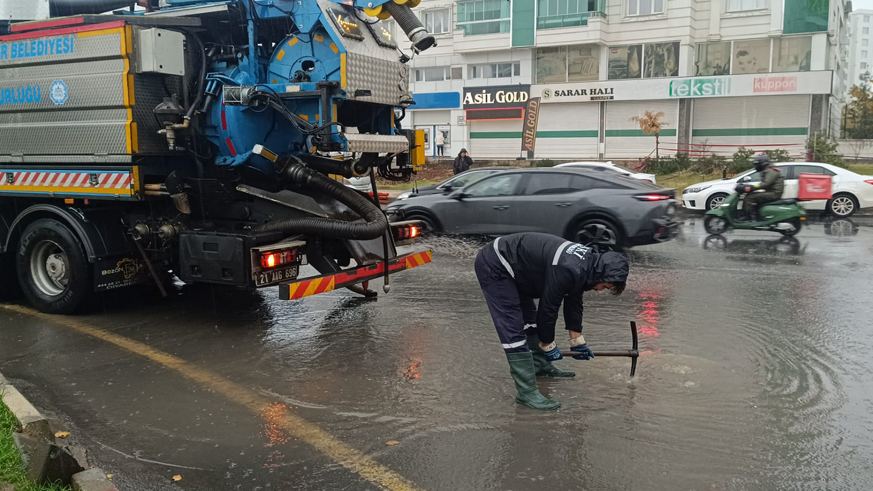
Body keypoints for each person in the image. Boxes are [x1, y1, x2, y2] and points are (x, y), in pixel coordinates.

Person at [474, 232, 629, 410]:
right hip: (496, 264)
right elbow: (548, 309)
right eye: (605, 286)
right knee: (513, 327)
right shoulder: (567, 268)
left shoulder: (587, 265)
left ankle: (541, 367)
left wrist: (577, 341)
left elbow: (574, 300)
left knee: (530, 322)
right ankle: (527, 392)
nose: (601, 290)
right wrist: (548, 345)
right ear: (602, 275)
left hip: (520, 269)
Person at [741, 154, 784, 221]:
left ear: (763, 164)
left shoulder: (771, 171)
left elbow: (766, 183)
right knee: (752, 195)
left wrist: (753, 187)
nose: (756, 166)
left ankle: (748, 217)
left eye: (757, 164)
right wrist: (753, 187)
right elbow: (763, 183)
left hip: (774, 194)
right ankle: (756, 215)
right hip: (771, 192)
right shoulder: (768, 171)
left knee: (750, 197)